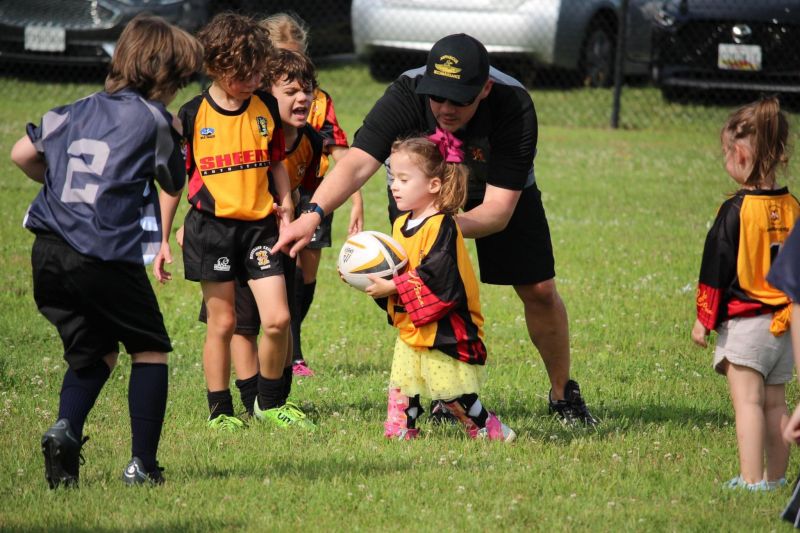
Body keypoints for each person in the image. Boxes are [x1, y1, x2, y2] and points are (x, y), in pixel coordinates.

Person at [274, 33, 598, 425]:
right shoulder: (408, 92)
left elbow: (497, 211)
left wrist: (437, 228)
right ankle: (446, 396)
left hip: (489, 184)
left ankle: (563, 395)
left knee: (540, 290)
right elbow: (358, 161)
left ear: (485, 88)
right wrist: (312, 215)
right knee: (425, 294)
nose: (445, 108)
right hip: (417, 184)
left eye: (458, 99)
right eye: (437, 97)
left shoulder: (513, 104)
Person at [10, 14, 202, 487]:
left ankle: (65, 430)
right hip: (101, 253)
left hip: (48, 250)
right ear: (164, 76)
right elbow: (174, 181)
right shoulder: (154, 118)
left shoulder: (73, 109)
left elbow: (21, 153)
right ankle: (142, 466)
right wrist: (175, 132)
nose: (177, 91)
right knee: (150, 348)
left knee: (93, 353)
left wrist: (62, 187)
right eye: (178, 81)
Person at [154, 13, 313, 431]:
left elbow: (277, 162)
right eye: (245, 74)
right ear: (217, 67)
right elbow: (173, 182)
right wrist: (165, 236)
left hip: (260, 229)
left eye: (258, 71)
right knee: (222, 324)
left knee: (278, 319)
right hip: (213, 230)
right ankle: (220, 410)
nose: (253, 80)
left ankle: (270, 401)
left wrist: (286, 206)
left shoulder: (263, 108)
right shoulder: (192, 116)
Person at [365, 132, 515, 442]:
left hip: (445, 327)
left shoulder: (442, 225)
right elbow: (396, 267)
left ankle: (490, 429)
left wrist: (393, 286)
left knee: (451, 392)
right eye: (393, 177)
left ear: (434, 185)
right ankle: (400, 432)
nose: (394, 185)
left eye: (404, 179)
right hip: (413, 324)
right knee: (403, 383)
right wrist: (366, 275)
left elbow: (441, 277)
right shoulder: (399, 224)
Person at [691, 96, 799, 491]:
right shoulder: (792, 207)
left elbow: (715, 270)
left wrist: (704, 320)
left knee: (748, 405)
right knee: (776, 405)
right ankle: (777, 478)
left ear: (739, 153)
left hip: (747, 324)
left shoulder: (735, 210)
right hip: (784, 328)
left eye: (725, 151)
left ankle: (751, 480)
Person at [260, 12, 364, 376]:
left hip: (316, 194)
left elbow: (341, 151)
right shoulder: (259, 105)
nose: (295, 74)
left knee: (305, 276)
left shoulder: (320, 101)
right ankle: (290, 350)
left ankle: (292, 342)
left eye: (299, 61)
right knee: (278, 272)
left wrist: (356, 199)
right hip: (273, 198)